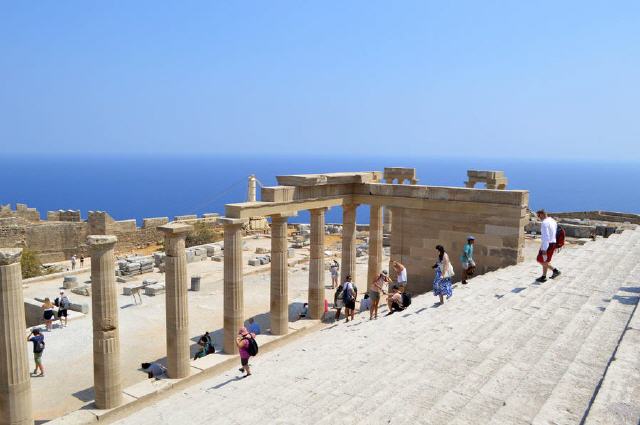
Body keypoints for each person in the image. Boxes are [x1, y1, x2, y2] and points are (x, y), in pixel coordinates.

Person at [536, 209, 561, 282]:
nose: (538, 217)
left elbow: (546, 236)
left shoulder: (544, 223)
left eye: (539, 215)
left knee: (539, 260)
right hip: (553, 243)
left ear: (542, 214)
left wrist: (544, 249)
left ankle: (555, 271)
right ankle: (543, 277)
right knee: (545, 260)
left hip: (547, 244)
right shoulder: (553, 221)